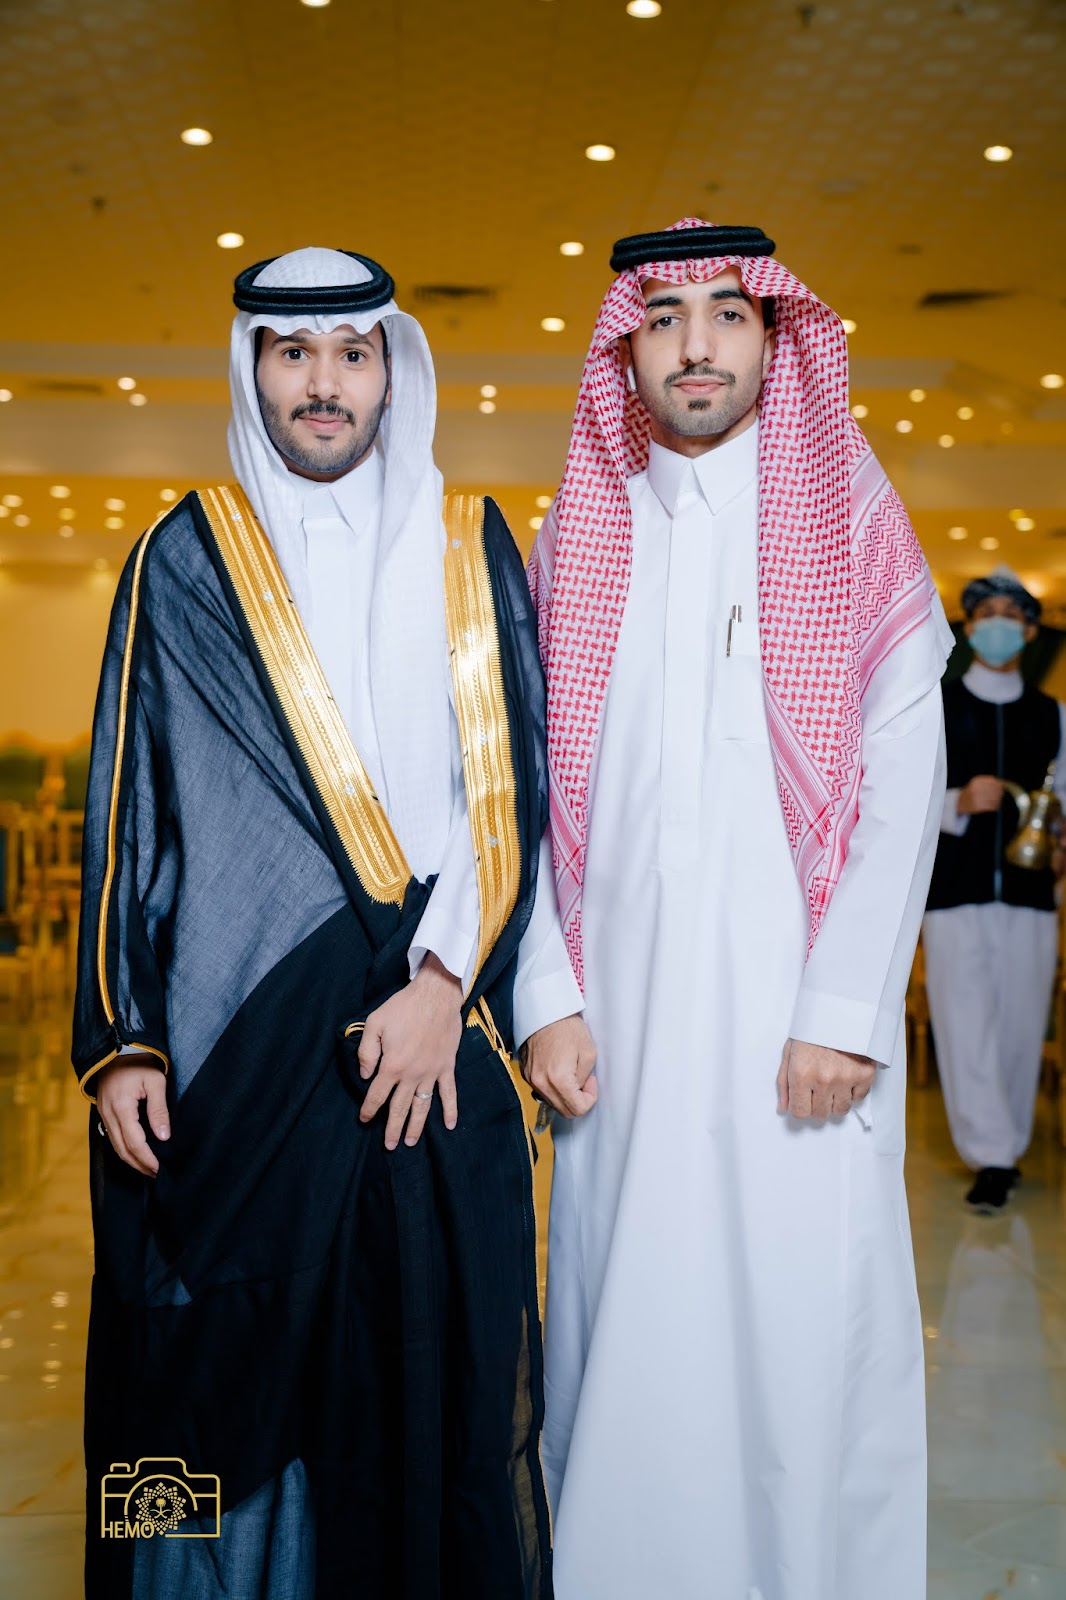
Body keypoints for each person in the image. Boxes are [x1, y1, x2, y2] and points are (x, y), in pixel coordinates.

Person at [73, 246, 581, 1600]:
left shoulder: (467, 540)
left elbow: (511, 791)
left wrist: (441, 985)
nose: (323, 383)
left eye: (352, 354)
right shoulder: (185, 555)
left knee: (430, 1369)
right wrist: (123, 1039)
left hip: (427, 1038)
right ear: (252, 368)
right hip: (238, 1047)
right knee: (213, 1363)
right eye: (293, 353)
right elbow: (132, 802)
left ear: (391, 372)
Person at [523, 218, 954, 1600]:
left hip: (795, 1036)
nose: (695, 343)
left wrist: (842, 1009)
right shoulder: (576, 535)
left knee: (795, 1350)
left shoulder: (848, 520)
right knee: (622, 1340)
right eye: (662, 317)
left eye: (726, 311)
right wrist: (544, 994)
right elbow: (515, 788)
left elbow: (904, 775)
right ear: (625, 350)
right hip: (617, 1031)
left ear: (776, 336)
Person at [923, 567, 1066, 1214]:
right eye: (987, 614)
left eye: (1013, 615)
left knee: (1019, 1023)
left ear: (1031, 631)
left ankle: (1007, 1144)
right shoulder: (938, 705)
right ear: (969, 626)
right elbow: (902, 798)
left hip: (1031, 895)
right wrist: (957, 800)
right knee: (964, 1022)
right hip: (956, 893)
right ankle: (991, 1156)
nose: (1000, 625)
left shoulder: (1052, 715)